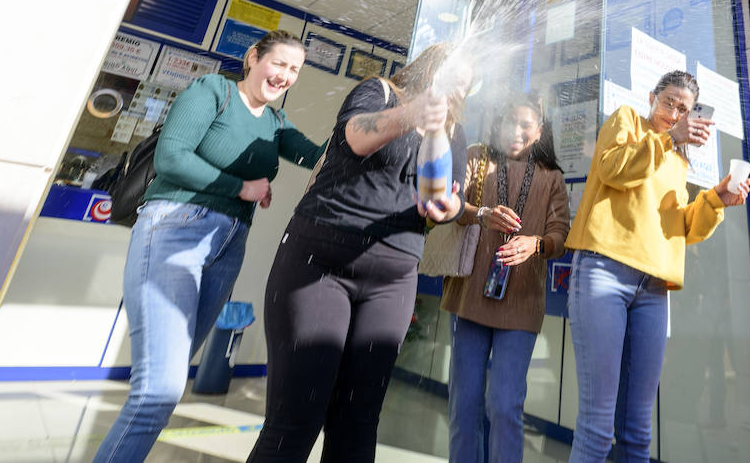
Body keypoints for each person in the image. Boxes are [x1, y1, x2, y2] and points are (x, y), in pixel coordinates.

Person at [94, 31, 324, 463]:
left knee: (167, 385)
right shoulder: (212, 91)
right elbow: (172, 158)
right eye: (279, 64)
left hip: (228, 245)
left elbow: (321, 156)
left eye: (294, 70)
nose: (286, 76)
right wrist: (242, 187)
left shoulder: (275, 124)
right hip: (174, 227)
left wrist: (383, 120)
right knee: (157, 390)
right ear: (253, 58)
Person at [247, 43, 468, 462]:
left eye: (466, 88)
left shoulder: (454, 131)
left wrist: (448, 207)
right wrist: (413, 113)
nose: (458, 92)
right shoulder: (379, 92)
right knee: (297, 417)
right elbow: (356, 138)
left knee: (358, 421)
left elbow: (452, 197)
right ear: (430, 71)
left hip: (393, 278)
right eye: (454, 80)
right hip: (321, 264)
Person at [564, 70, 750, 463]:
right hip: (604, 272)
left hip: (652, 288)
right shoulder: (627, 120)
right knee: (598, 426)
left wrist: (716, 198)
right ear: (652, 98)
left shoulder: (679, 163)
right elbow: (612, 169)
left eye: (685, 109)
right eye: (670, 103)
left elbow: (681, 228)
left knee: (638, 431)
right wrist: (669, 138)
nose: (676, 113)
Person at [443, 95, 570, 463]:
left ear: (539, 131)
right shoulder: (475, 158)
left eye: (526, 125)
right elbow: (448, 209)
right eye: (509, 122)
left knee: (504, 405)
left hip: (521, 303)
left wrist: (536, 244)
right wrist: (480, 213)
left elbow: (560, 236)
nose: (516, 132)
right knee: (464, 407)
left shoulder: (552, 177)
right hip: (468, 297)